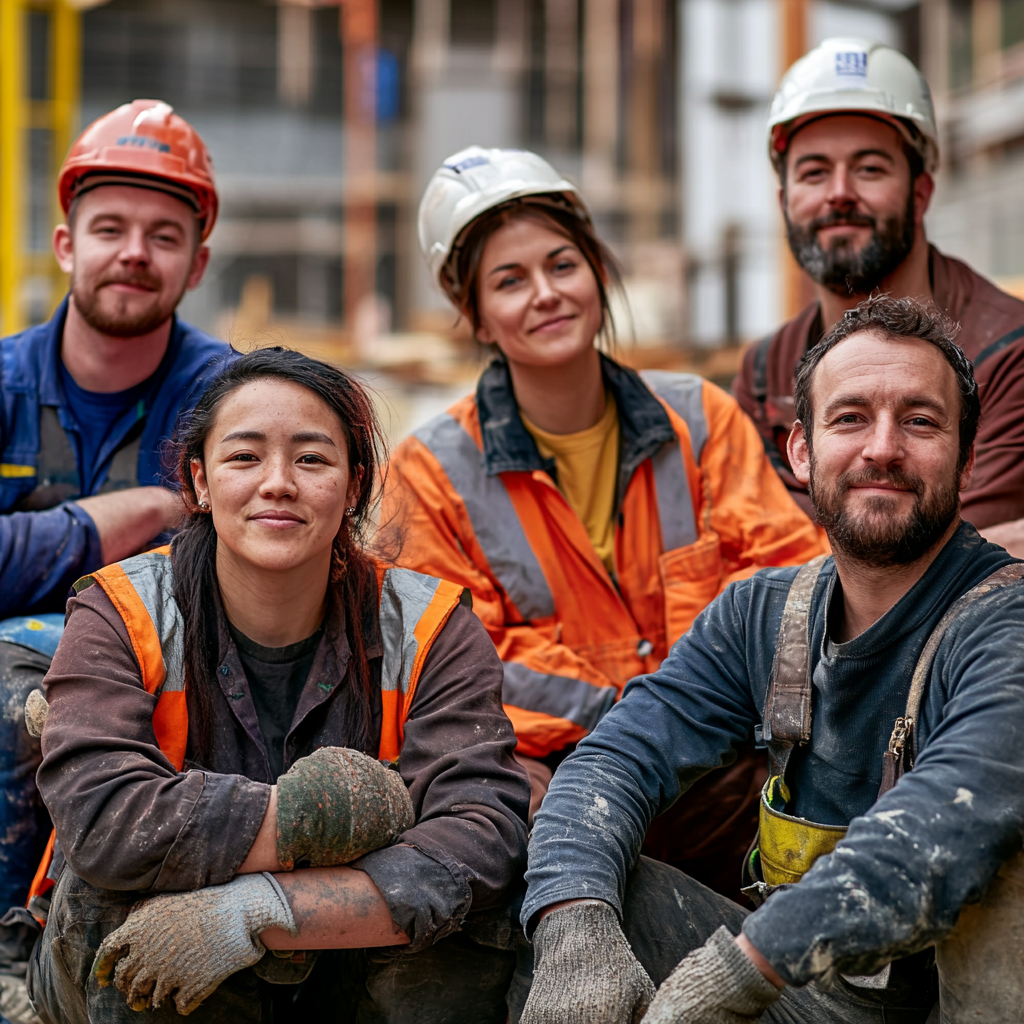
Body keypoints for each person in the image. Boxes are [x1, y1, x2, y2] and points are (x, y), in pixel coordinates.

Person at [514, 294, 1024, 1024]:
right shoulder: (762, 615)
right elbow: (614, 762)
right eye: (850, 418)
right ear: (801, 452)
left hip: (948, 1006)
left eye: (919, 420)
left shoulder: (1005, 624)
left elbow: (943, 821)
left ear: (967, 459)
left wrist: (740, 972)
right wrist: (575, 933)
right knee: (536, 887)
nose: (882, 447)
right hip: (811, 1000)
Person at [24, 348, 529, 1023]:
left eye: (313, 459)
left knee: (465, 926)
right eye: (244, 457)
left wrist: (259, 910)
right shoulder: (122, 613)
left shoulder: (432, 628)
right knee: (120, 903)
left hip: (348, 955)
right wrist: (310, 822)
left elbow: (482, 839)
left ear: (353, 487)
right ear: (199, 483)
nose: (279, 483)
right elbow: (105, 818)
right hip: (127, 964)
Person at [378, 146, 826, 897]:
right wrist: (629, 712)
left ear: (596, 270)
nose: (546, 294)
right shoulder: (430, 473)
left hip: (726, 765)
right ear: (474, 315)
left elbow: (788, 582)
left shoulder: (699, 420)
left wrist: (692, 713)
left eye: (562, 265)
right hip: (565, 773)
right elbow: (453, 658)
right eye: (509, 281)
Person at [0, 99, 233, 1022]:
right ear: (65, 244)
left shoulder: (228, 394)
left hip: (164, 669)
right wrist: (119, 516)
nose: (135, 252)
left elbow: (240, 569)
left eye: (164, 234)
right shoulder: (6, 387)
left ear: (197, 263)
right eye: (111, 228)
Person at [733, 37, 1024, 551]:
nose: (839, 192)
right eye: (814, 172)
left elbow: (973, 568)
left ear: (920, 193)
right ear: (785, 201)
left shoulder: (1009, 353)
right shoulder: (765, 373)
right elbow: (757, 555)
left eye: (869, 168)